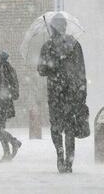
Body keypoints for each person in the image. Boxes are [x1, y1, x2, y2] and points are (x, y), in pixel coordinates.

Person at [38, 13, 87, 173]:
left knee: (56, 126)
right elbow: (81, 71)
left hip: (55, 93)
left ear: (52, 28)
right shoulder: (75, 44)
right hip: (72, 93)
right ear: (65, 27)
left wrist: (52, 65)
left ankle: (60, 155)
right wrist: (82, 91)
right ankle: (69, 161)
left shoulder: (47, 46)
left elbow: (41, 70)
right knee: (70, 128)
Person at [0, 42, 22, 162]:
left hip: (3, 101)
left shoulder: (3, 65)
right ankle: (7, 153)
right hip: (1, 100)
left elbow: (5, 84)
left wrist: (3, 95)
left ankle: (14, 142)